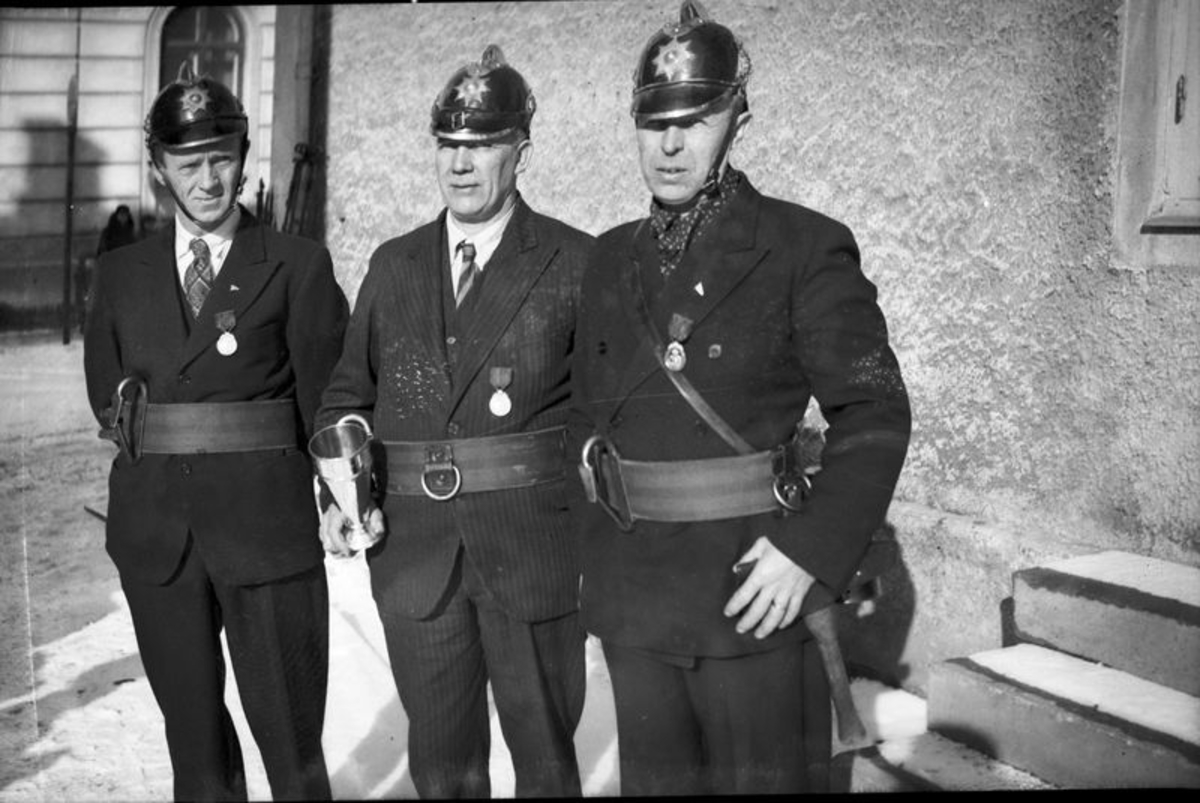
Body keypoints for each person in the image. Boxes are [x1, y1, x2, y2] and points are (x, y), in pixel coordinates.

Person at [569, 1, 912, 795]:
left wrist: (810, 552)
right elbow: (583, 421)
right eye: (654, 122)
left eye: (694, 120)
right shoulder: (608, 258)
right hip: (634, 603)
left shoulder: (801, 246)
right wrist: (593, 565)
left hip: (753, 595)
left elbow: (875, 411)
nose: (671, 144)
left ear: (738, 120)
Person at [316, 45, 594, 798]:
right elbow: (347, 398)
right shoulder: (394, 265)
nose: (461, 164)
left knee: (546, 767)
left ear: (521, 154)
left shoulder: (574, 262)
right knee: (442, 771)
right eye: (448, 145)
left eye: (483, 145)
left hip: (531, 554)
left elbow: (603, 415)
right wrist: (342, 493)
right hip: (417, 558)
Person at [83, 64, 347, 801]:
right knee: (195, 754)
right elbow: (108, 395)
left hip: (267, 535)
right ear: (159, 169)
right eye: (188, 163)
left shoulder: (297, 265)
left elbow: (329, 397)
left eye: (222, 159)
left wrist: (339, 497)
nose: (208, 180)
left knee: (293, 751)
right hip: (158, 538)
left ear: (244, 156)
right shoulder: (121, 274)